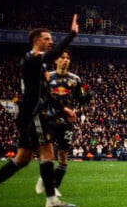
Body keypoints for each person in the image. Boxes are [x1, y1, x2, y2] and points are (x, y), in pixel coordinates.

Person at [0, 15, 79, 207]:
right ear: (36, 40)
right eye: (46, 39)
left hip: (28, 113)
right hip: (33, 114)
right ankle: (52, 200)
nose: (50, 42)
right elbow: (54, 53)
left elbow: (45, 93)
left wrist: (63, 108)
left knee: (22, 159)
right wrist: (72, 33)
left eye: (50, 39)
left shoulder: (37, 63)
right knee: (47, 151)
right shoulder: (32, 59)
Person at [35, 49, 94, 197]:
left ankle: (54, 186)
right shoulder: (48, 77)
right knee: (47, 152)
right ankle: (44, 177)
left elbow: (81, 99)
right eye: (62, 57)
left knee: (63, 154)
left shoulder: (75, 79)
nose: (65, 60)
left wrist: (89, 95)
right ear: (55, 60)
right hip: (48, 119)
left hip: (65, 121)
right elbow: (41, 96)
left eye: (68, 57)